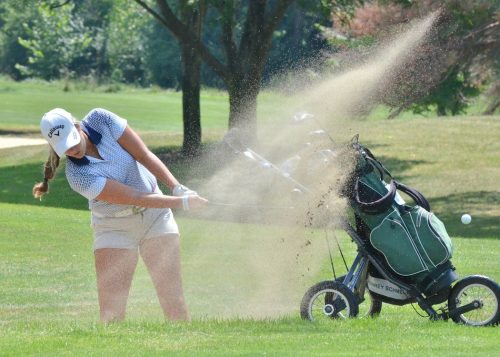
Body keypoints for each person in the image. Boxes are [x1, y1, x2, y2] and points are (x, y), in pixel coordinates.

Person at [32, 107, 208, 322]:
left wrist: (177, 187)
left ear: (77, 126)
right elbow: (134, 197)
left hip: (156, 218)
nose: (72, 150)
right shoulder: (77, 176)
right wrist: (183, 203)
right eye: (65, 147)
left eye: (73, 139)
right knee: (111, 315)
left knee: (175, 304)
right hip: (113, 228)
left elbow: (143, 155)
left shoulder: (101, 119)